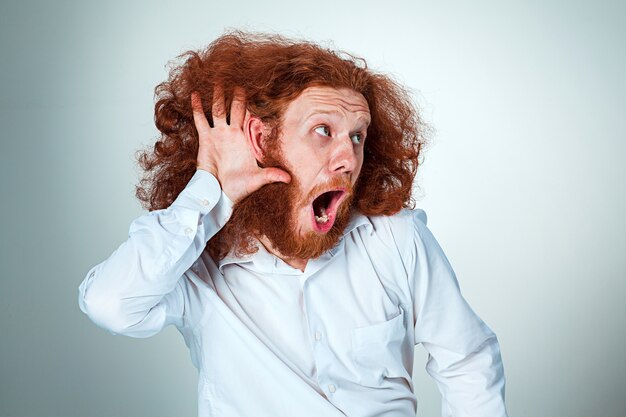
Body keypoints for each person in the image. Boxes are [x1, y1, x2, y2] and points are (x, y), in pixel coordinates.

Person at [78, 30, 509, 417]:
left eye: (357, 136)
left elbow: (467, 359)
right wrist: (211, 187)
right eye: (324, 130)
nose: (348, 158)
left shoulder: (397, 238)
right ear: (261, 139)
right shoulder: (198, 262)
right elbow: (110, 304)